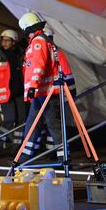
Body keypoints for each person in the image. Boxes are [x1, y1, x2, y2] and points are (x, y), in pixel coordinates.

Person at [19, 12, 69, 163]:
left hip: (45, 91)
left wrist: (33, 86)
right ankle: (25, 156)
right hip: (43, 91)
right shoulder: (44, 41)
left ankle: (64, 158)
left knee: (53, 125)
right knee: (32, 123)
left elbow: (38, 65)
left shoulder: (38, 42)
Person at [0, 29, 25, 155]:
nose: (5, 43)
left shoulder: (21, 55)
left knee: (21, 120)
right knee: (9, 120)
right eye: (3, 40)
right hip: (6, 94)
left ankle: (17, 146)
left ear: (14, 42)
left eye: (8, 40)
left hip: (19, 93)